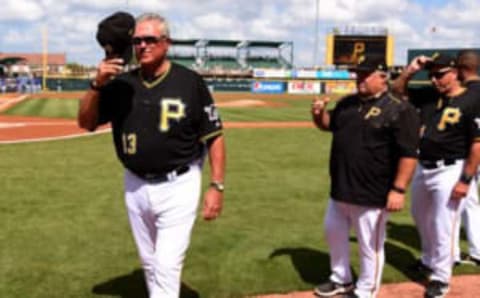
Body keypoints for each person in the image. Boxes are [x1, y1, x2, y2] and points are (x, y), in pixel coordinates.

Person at [78, 12, 226, 298]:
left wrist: (216, 185)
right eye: (137, 40)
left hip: (179, 184)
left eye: (150, 39)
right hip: (134, 185)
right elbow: (85, 123)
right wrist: (97, 85)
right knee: (149, 263)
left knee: (167, 265)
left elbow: (214, 136)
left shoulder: (190, 82)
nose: (143, 45)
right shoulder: (120, 85)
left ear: (166, 43)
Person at [311, 55, 420, 298]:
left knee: (370, 245)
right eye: (357, 73)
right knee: (334, 234)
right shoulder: (348, 103)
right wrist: (319, 114)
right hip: (340, 187)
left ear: (383, 77)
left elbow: (409, 154)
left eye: (364, 74)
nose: (358, 78)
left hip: (373, 191)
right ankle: (341, 278)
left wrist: (399, 189)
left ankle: (366, 289)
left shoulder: (400, 108)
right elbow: (329, 125)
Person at [393, 53, 480, 298]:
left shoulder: (472, 99)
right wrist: (411, 70)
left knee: (444, 225)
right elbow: (397, 90)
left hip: (452, 169)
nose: (434, 80)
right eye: (432, 75)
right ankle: (429, 260)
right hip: (424, 166)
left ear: (455, 73)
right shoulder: (430, 96)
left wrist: (465, 180)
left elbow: (477, 145)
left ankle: (441, 278)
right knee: (420, 217)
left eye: (440, 74)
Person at [453, 50, 480, 266]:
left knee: (463, 200)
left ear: (461, 68)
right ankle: (477, 251)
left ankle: (452, 253)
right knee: (470, 202)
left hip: (470, 151)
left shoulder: (465, 94)